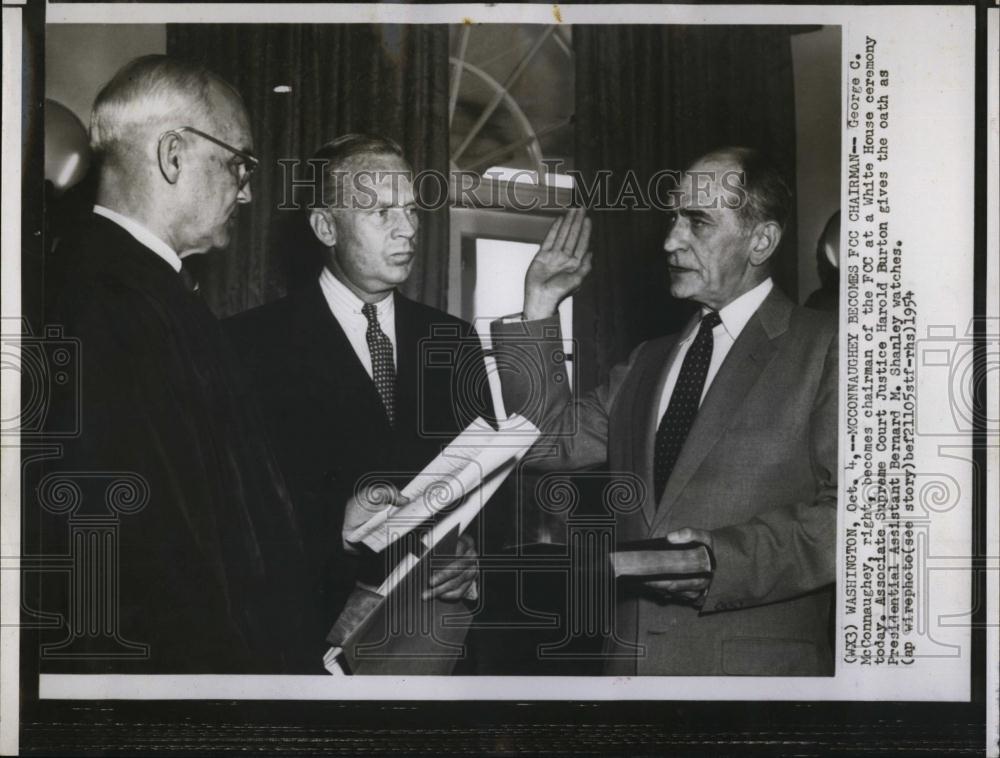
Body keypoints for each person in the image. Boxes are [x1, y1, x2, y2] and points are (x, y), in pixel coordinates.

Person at [492, 147, 838, 676]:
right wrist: (539, 306)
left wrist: (721, 561)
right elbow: (547, 442)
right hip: (631, 674)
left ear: (761, 241)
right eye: (673, 218)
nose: (670, 240)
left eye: (697, 222)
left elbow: (858, 522)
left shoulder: (828, 348)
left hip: (753, 688)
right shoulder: (647, 361)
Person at [40, 55, 315, 673]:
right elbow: (119, 569)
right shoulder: (99, 302)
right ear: (172, 155)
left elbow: (208, 502)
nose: (247, 188)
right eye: (239, 162)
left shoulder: (142, 290)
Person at [226, 135, 483, 668]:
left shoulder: (453, 341)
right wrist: (331, 525)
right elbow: (229, 509)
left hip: (432, 646)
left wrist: (475, 560)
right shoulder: (247, 346)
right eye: (380, 210)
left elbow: (485, 489)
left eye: (410, 209)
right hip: (299, 647)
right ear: (325, 227)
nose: (408, 228)